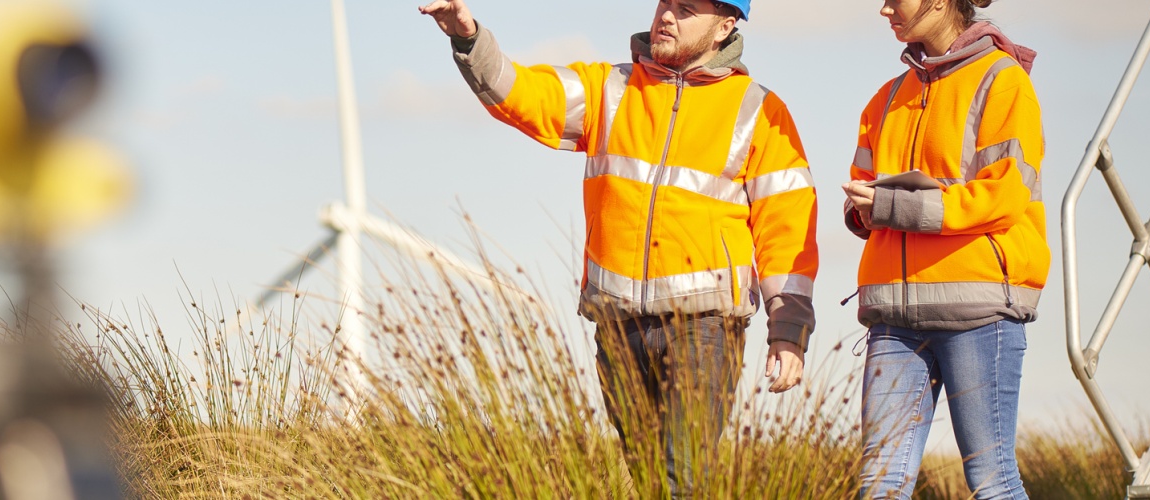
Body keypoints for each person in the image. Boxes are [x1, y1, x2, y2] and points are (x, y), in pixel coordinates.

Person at [420, 0, 818, 496]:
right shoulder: (609, 88)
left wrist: (789, 328)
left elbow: (787, 225)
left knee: (679, 480)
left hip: (704, 329)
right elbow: (521, 91)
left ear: (725, 26)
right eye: (665, 3)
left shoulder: (759, 109)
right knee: (649, 480)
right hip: (617, 325)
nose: (667, 16)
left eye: (686, 9)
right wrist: (467, 35)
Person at [840, 0, 1044, 497]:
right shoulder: (886, 98)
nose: (885, 8)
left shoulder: (1004, 81)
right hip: (894, 315)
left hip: (979, 310)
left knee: (991, 480)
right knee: (878, 485)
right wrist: (863, 210)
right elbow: (864, 190)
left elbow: (1004, 195)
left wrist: (897, 208)